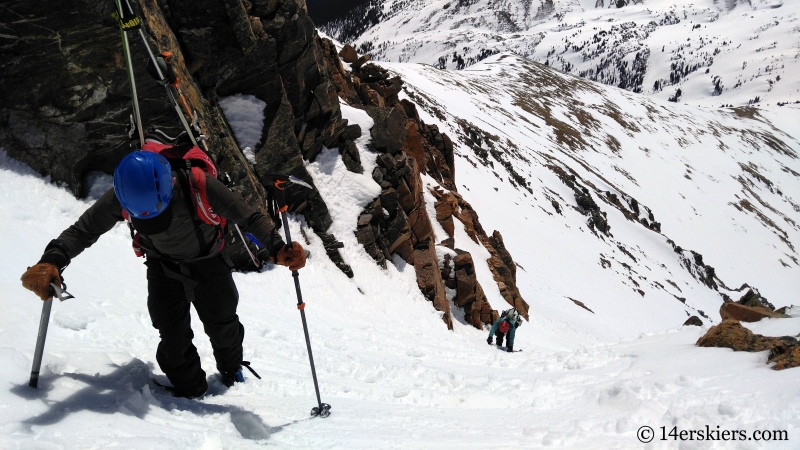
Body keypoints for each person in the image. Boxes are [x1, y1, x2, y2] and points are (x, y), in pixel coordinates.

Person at [20, 150, 306, 398]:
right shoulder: (125, 192)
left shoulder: (198, 184)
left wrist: (277, 247)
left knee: (223, 324)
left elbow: (249, 216)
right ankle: (189, 390)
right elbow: (84, 230)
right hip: (162, 265)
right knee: (171, 333)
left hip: (208, 260)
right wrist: (52, 259)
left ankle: (232, 370)